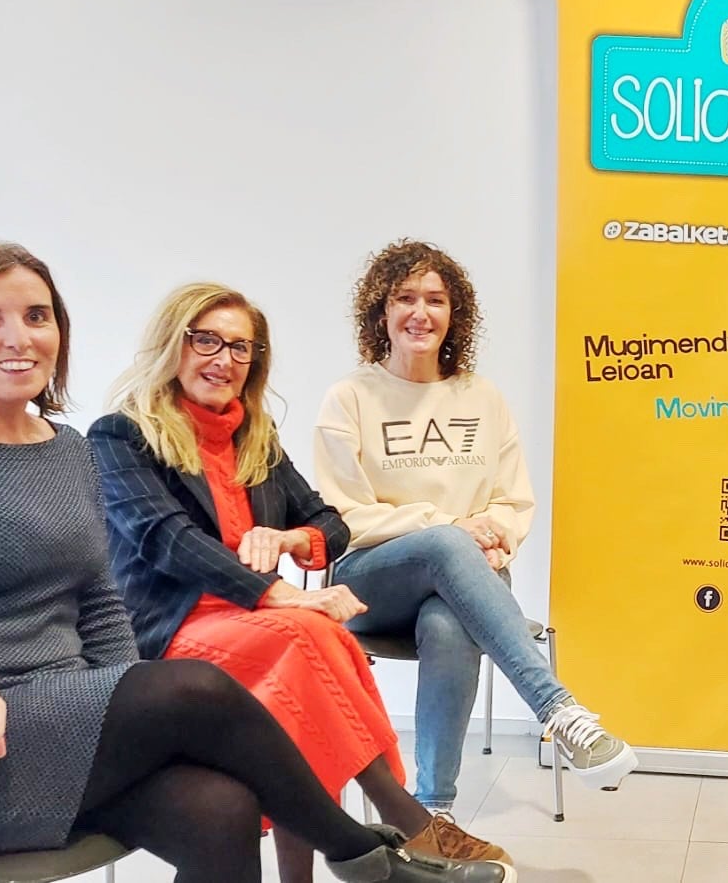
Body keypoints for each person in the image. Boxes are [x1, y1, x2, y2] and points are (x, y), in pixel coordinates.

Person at [0, 243, 509, 883]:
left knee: (223, 807)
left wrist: (125, 695)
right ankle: (365, 854)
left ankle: (367, 852)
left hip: (68, 727)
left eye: (37, 316)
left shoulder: (63, 450)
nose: (19, 337)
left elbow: (101, 602)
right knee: (198, 685)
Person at [90, 282, 511, 878]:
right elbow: (167, 539)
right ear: (172, 344)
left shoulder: (254, 439)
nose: (224, 359)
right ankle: (405, 824)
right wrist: (281, 594)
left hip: (254, 622)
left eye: (241, 347)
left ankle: (351, 852)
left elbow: (330, 524)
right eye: (206, 340)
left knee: (314, 648)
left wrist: (292, 541)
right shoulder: (121, 435)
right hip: (169, 630)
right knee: (304, 637)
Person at [315, 239, 636, 816]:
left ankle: (433, 812)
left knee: (447, 624)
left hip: (468, 577)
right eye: (405, 298)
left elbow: (512, 501)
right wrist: (452, 530)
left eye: (435, 300)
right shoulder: (350, 398)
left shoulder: (482, 398)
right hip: (370, 580)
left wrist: (493, 542)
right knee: (443, 544)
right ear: (381, 312)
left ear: (453, 314)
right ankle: (558, 709)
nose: (420, 312)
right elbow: (346, 517)